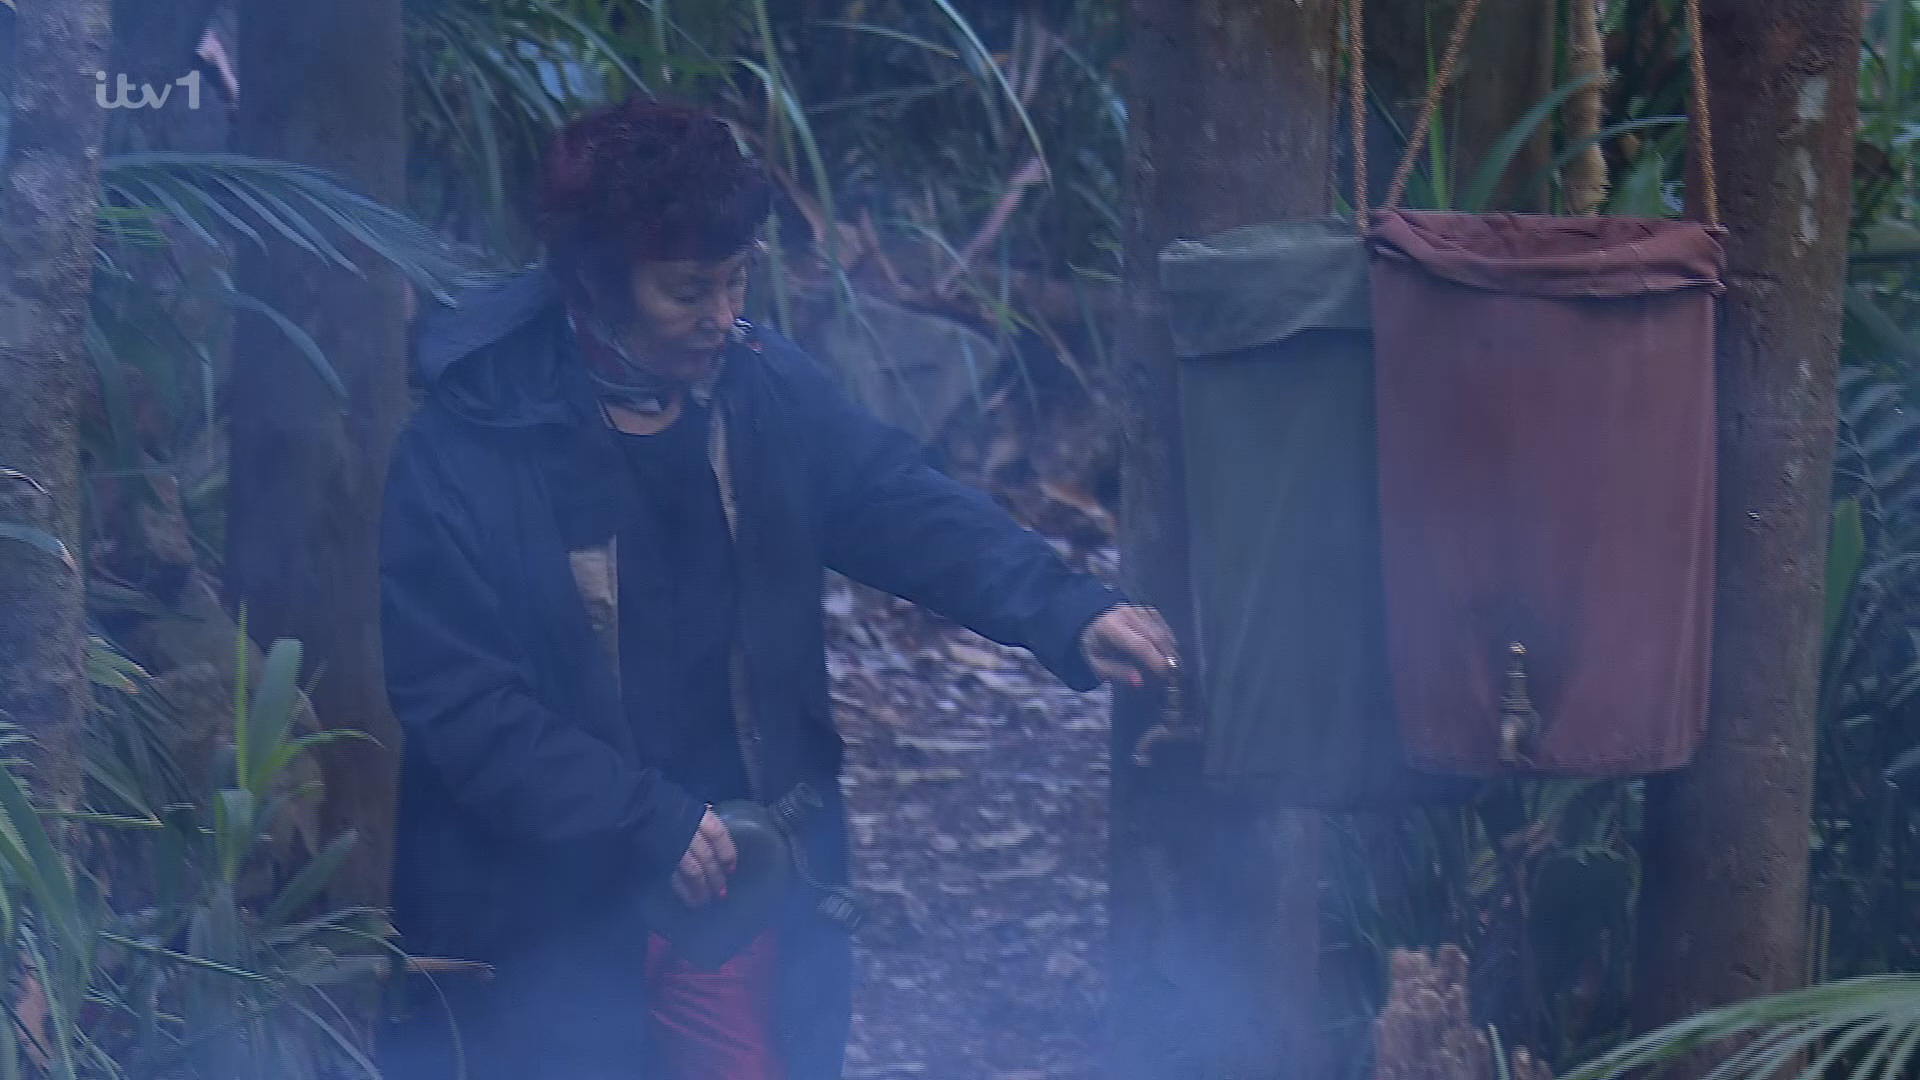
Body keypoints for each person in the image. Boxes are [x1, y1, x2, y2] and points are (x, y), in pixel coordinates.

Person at [375, 97, 1178, 1080]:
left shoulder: (760, 386)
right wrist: (641, 820)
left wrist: (1067, 609)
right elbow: (461, 702)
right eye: (687, 291)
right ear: (595, 281)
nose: (723, 315)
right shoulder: (470, 443)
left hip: (735, 878)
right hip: (541, 913)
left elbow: (894, 500)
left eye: (736, 278)